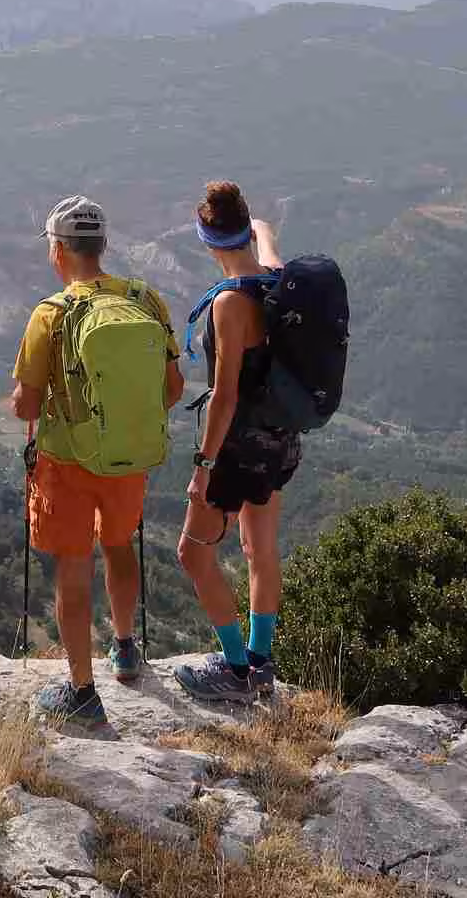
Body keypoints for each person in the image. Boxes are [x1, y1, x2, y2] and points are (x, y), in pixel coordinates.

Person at [10, 196, 185, 728]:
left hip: (66, 461)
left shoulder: (51, 315)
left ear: (57, 250)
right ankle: (127, 648)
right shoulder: (145, 300)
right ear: (102, 245)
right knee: (119, 545)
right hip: (128, 457)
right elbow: (173, 388)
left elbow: (25, 405)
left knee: (73, 565)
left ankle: (82, 690)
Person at [173, 181, 299, 704]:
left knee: (192, 555)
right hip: (280, 438)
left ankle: (235, 669)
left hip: (237, 448)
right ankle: (261, 662)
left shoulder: (229, 304)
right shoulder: (275, 275)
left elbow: (223, 397)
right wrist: (257, 227)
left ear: (206, 241)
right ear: (245, 229)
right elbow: (266, 232)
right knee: (260, 550)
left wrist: (203, 465)